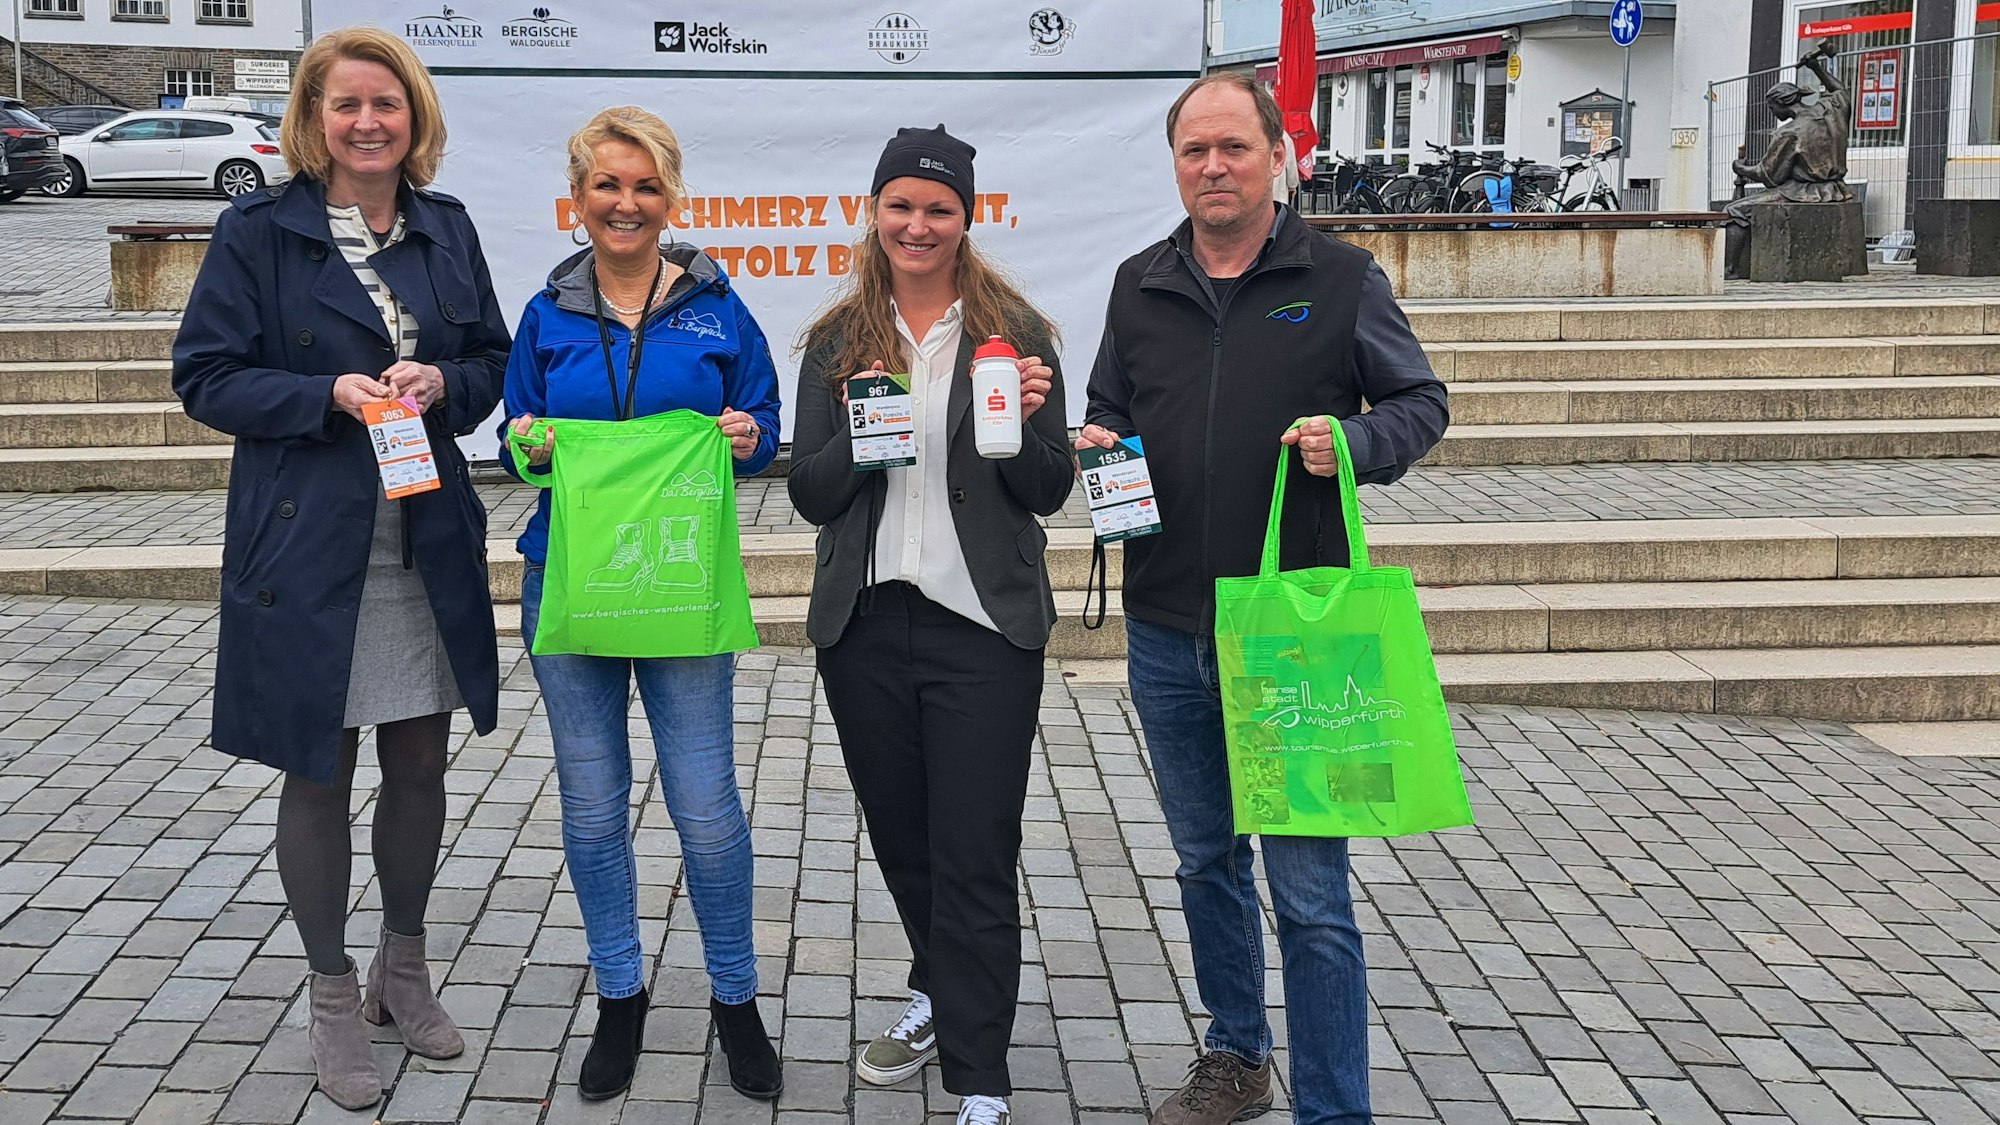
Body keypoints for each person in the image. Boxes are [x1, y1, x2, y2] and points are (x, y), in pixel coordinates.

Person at [1078, 74, 1449, 1125]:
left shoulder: (1336, 279)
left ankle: (1333, 1108)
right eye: (1193, 151)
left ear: (1277, 153)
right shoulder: (1136, 282)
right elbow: (1112, 405)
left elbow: (1420, 404)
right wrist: (1101, 445)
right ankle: (1236, 1058)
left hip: (1296, 631)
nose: (1212, 167)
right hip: (1164, 624)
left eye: (1232, 147)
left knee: (1312, 900)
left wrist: (1354, 443)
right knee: (1203, 861)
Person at [171, 27, 509, 1112]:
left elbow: (491, 361)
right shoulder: (259, 234)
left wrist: (440, 383)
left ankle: (400, 973)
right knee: (317, 770)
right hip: (306, 537)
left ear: (415, 118)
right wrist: (326, 395)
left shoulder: (444, 230)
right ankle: (328, 993)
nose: (368, 122)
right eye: (346, 104)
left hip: (423, 535)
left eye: (388, 104)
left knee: (420, 763)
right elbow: (207, 377)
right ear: (312, 119)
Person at [787, 125, 1071, 1125]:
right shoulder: (834, 340)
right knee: (904, 844)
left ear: (966, 218)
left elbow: (1047, 489)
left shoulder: (1018, 333)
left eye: (937, 208)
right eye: (900, 205)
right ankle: (934, 990)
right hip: (864, 629)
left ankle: (978, 1079)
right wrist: (867, 437)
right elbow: (810, 499)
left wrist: (1028, 423)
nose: (917, 224)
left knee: (974, 852)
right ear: (873, 212)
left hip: (981, 630)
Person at [501, 105, 783, 1104]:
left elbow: (766, 415)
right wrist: (528, 446)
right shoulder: (546, 314)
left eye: (645, 186)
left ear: (672, 197)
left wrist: (749, 435)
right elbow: (513, 440)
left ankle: (735, 1000)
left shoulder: (714, 304)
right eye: (607, 186)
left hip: (677, 585)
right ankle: (619, 994)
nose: (626, 204)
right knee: (590, 806)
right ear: (577, 198)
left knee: (706, 809)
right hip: (569, 583)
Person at [1726, 39, 1853, 278]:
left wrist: (1741, 169)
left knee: (1735, 210)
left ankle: (1729, 271)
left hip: (1803, 192)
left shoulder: (1789, 132)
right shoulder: (1830, 110)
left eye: (1772, 107)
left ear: (1782, 103)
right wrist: (1816, 67)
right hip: (1836, 188)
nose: (1772, 112)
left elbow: (1769, 176)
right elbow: (1840, 91)